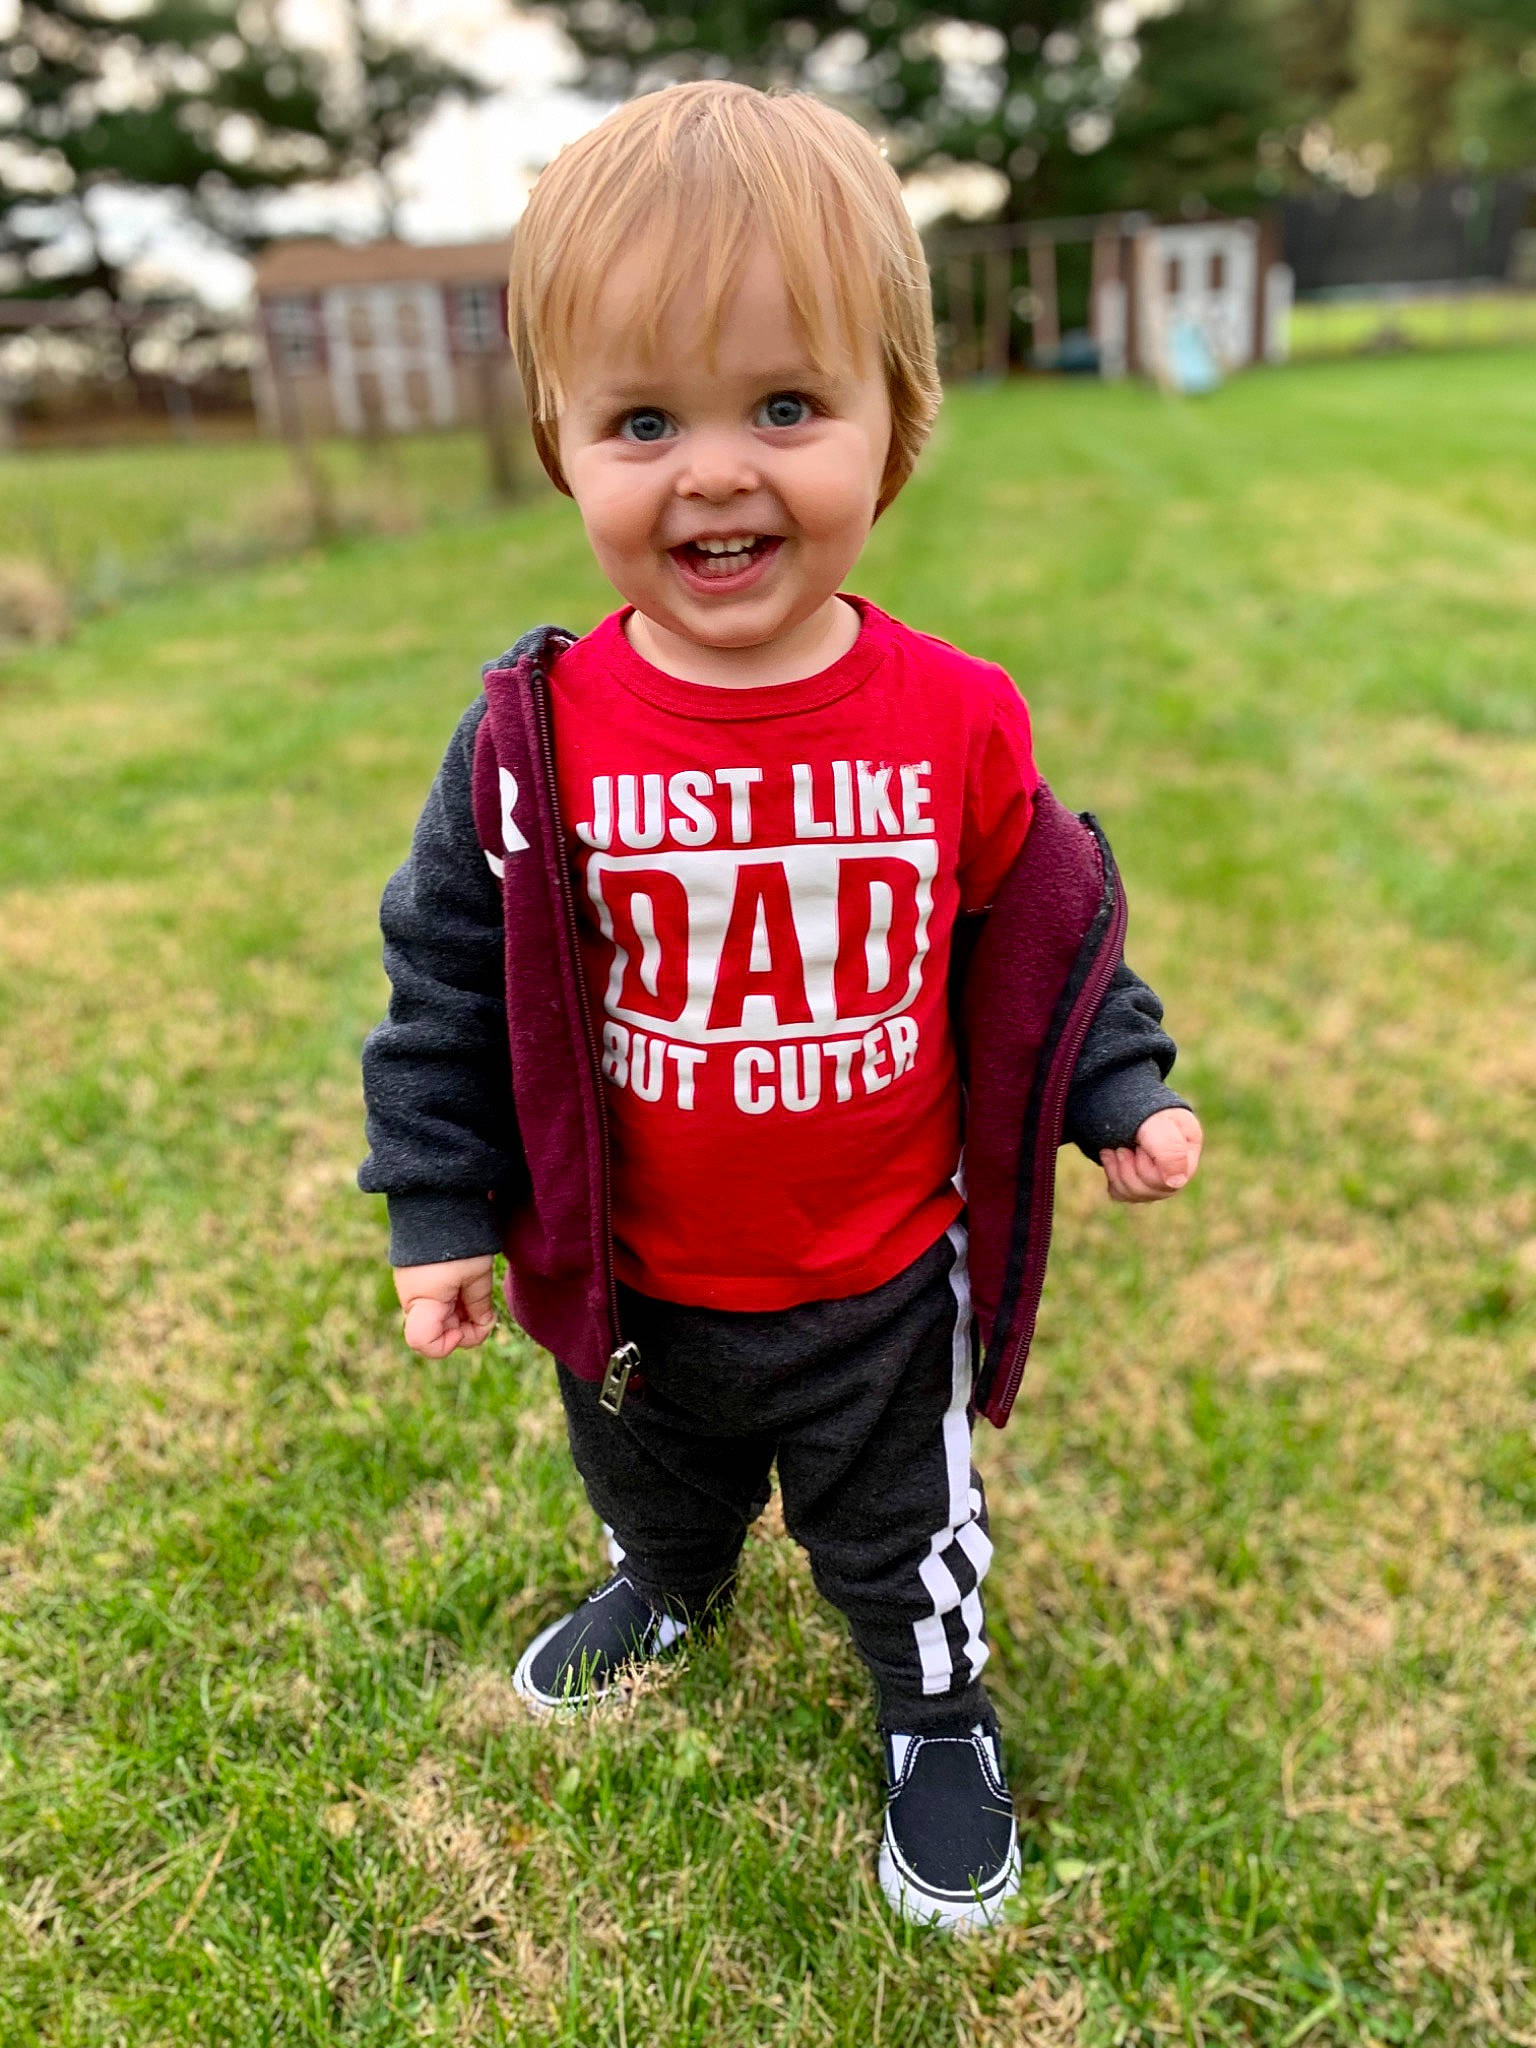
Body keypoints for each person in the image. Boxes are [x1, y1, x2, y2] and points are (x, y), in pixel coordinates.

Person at [359, 80, 1203, 1933]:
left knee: (901, 1535)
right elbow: (447, 978)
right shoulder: (534, 742)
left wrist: (1119, 1081)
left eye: (787, 408)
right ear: (560, 445)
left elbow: (1041, 928)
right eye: (645, 421)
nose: (716, 472)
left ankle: (933, 1714)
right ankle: (671, 1582)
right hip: (639, 1277)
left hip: (877, 1277)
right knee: (649, 1477)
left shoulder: (955, 716)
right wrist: (436, 1205)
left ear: (898, 426)